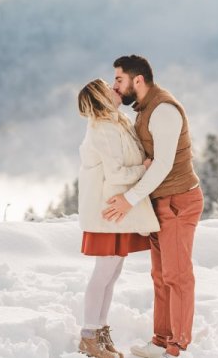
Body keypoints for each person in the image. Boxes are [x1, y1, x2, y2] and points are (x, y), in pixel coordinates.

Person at [103, 55, 204, 358]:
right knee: (161, 277)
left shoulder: (163, 111)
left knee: (177, 276)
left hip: (178, 202)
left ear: (138, 80)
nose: (115, 86)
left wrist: (129, 199)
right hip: (161, 203)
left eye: (119, 80)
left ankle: (177, 348)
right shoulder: (144, 108)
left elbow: (162, 166)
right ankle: (161, 340)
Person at [76, 78, 161, 358]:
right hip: (108, 211)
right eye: (109, 88)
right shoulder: (103, 129)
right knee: (104, 273)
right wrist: (145, 167)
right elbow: (116, 174)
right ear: (101, 98)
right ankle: (89, 335)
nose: (116, 90)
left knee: (112, 274)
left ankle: (99, 331)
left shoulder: (116, 122)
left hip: (114, 210)